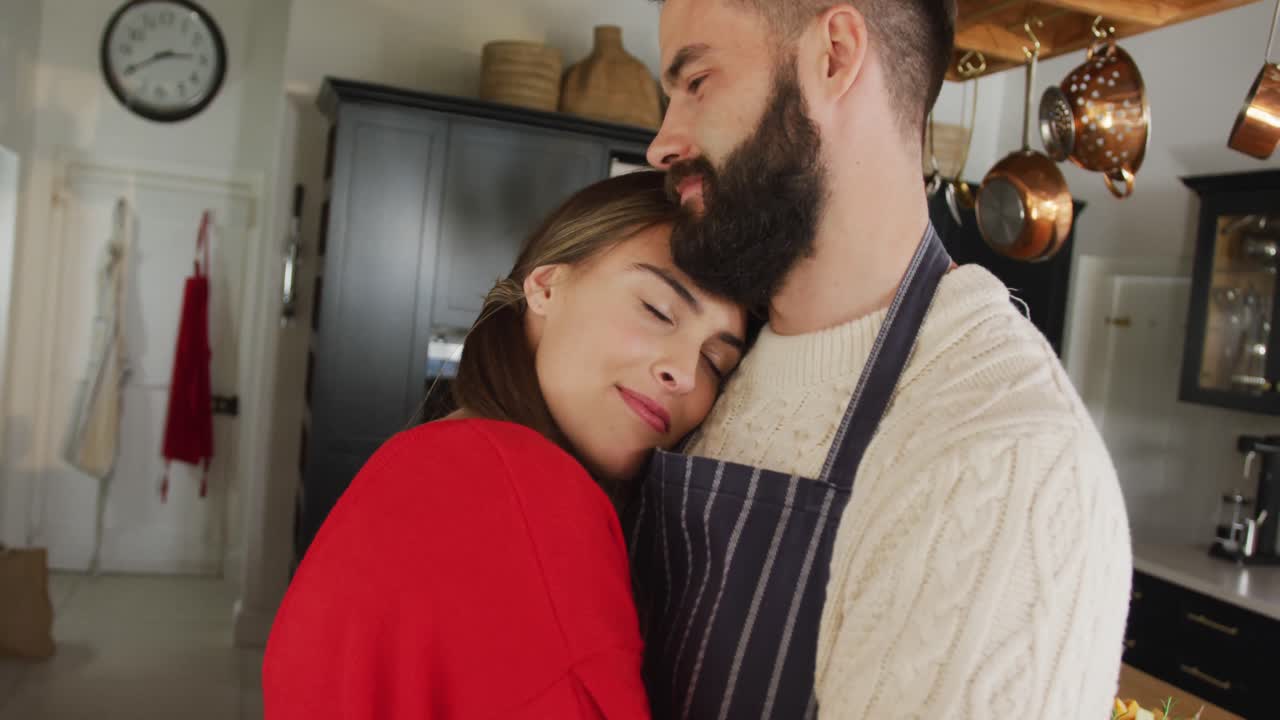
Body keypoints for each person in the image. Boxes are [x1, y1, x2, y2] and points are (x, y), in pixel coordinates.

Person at [624, 1, 1133, 718]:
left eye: (697, 81)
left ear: (833, 54)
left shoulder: (1006, 455)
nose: (662, 143)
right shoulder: (708, 362)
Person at [262, 171, 747, 719]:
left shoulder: (431, 458)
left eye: (715, 361)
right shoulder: (533, 495)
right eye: (657, 311)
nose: (683, 372)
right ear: (545, 286)